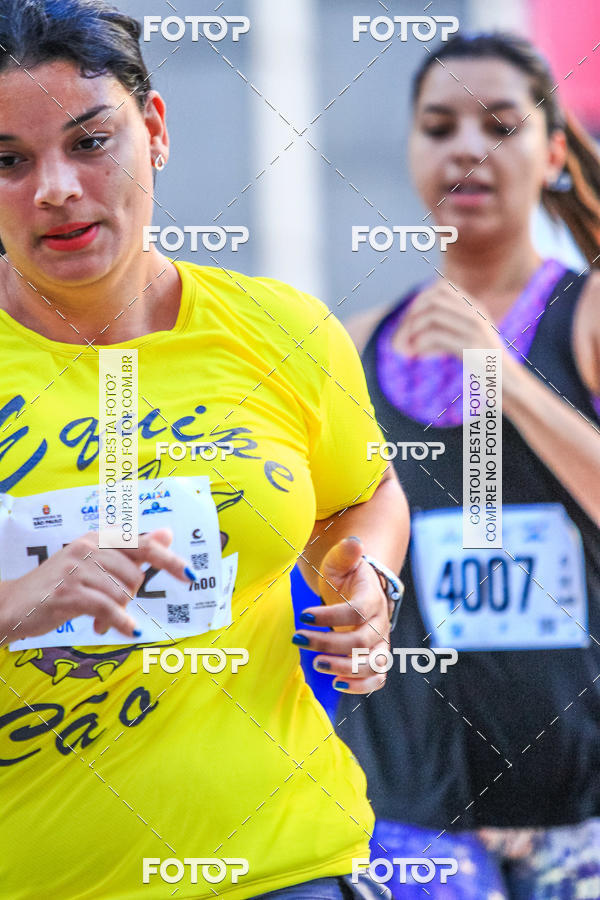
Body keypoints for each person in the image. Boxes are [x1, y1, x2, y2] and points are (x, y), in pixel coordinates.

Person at [0, 2, 410, 899]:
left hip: (286, 865)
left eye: (91, 141)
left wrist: (367, 581)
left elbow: (361, 495)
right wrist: (20, 601)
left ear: (153, 130)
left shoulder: (280, 328)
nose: (57, 188)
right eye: (9, 162)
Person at [331, 32, 600, 900]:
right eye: (439, 126)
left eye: (499, 125)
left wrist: (506, 380)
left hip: (580, 799)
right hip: (414, 801)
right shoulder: (360, 340)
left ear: (554, 151)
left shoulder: (587, 311)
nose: (466, 150)